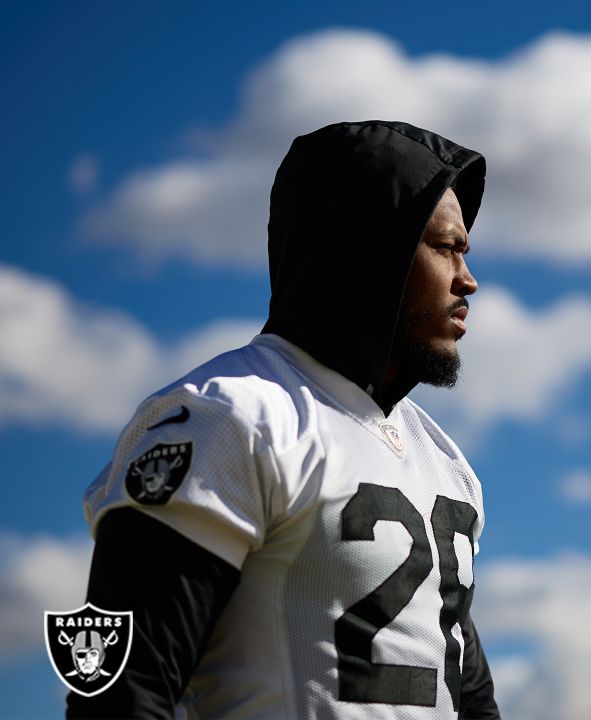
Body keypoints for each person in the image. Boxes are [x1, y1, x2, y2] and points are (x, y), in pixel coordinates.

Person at [67, 120, 501, 719]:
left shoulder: (446, 462)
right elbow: (122, 689)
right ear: (370, 249)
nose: (468, 280)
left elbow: (469, 701)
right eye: (446, 248)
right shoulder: (231, 415)